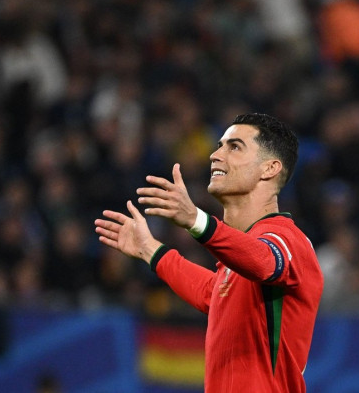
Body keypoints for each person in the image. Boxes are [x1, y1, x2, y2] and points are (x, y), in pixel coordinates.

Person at [95, 113, 323, 393]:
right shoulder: (239, 254)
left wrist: (196, 220)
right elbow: (213, 293)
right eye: (219, 145)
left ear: (270, 168)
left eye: (234, 146)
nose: (215, 155)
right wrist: (149, 249)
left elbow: (264, 262)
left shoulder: (288, 239)